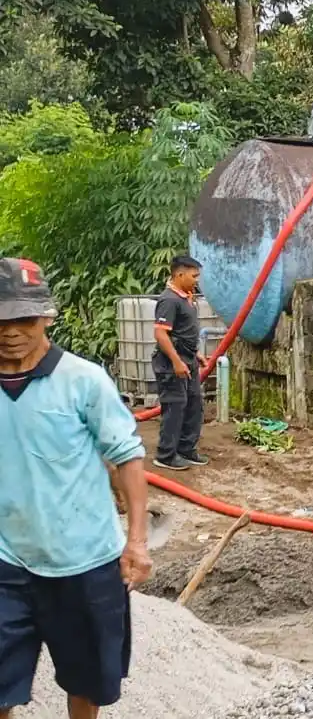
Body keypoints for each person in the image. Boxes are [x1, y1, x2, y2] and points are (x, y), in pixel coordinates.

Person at [0, 257, 152, 719]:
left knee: (86, 684)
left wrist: (137, 542)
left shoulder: (83, 380)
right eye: (1, 319)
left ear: (47, 315)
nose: (10, 331)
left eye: (24, 318)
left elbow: (127, 457)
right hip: (7, 560)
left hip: (84, 561)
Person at [151, 255, 209, 471]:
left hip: (188, 360)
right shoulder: (169, 300)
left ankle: (186, 449)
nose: (196, 280)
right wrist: (176, 361)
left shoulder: (186, 297)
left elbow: (186, 332)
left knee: (194, 404)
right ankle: (165, 455)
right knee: (175, 407)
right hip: (170, 363)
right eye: (194, 276)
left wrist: (196, 354)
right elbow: (161, 334)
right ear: (179, 274)